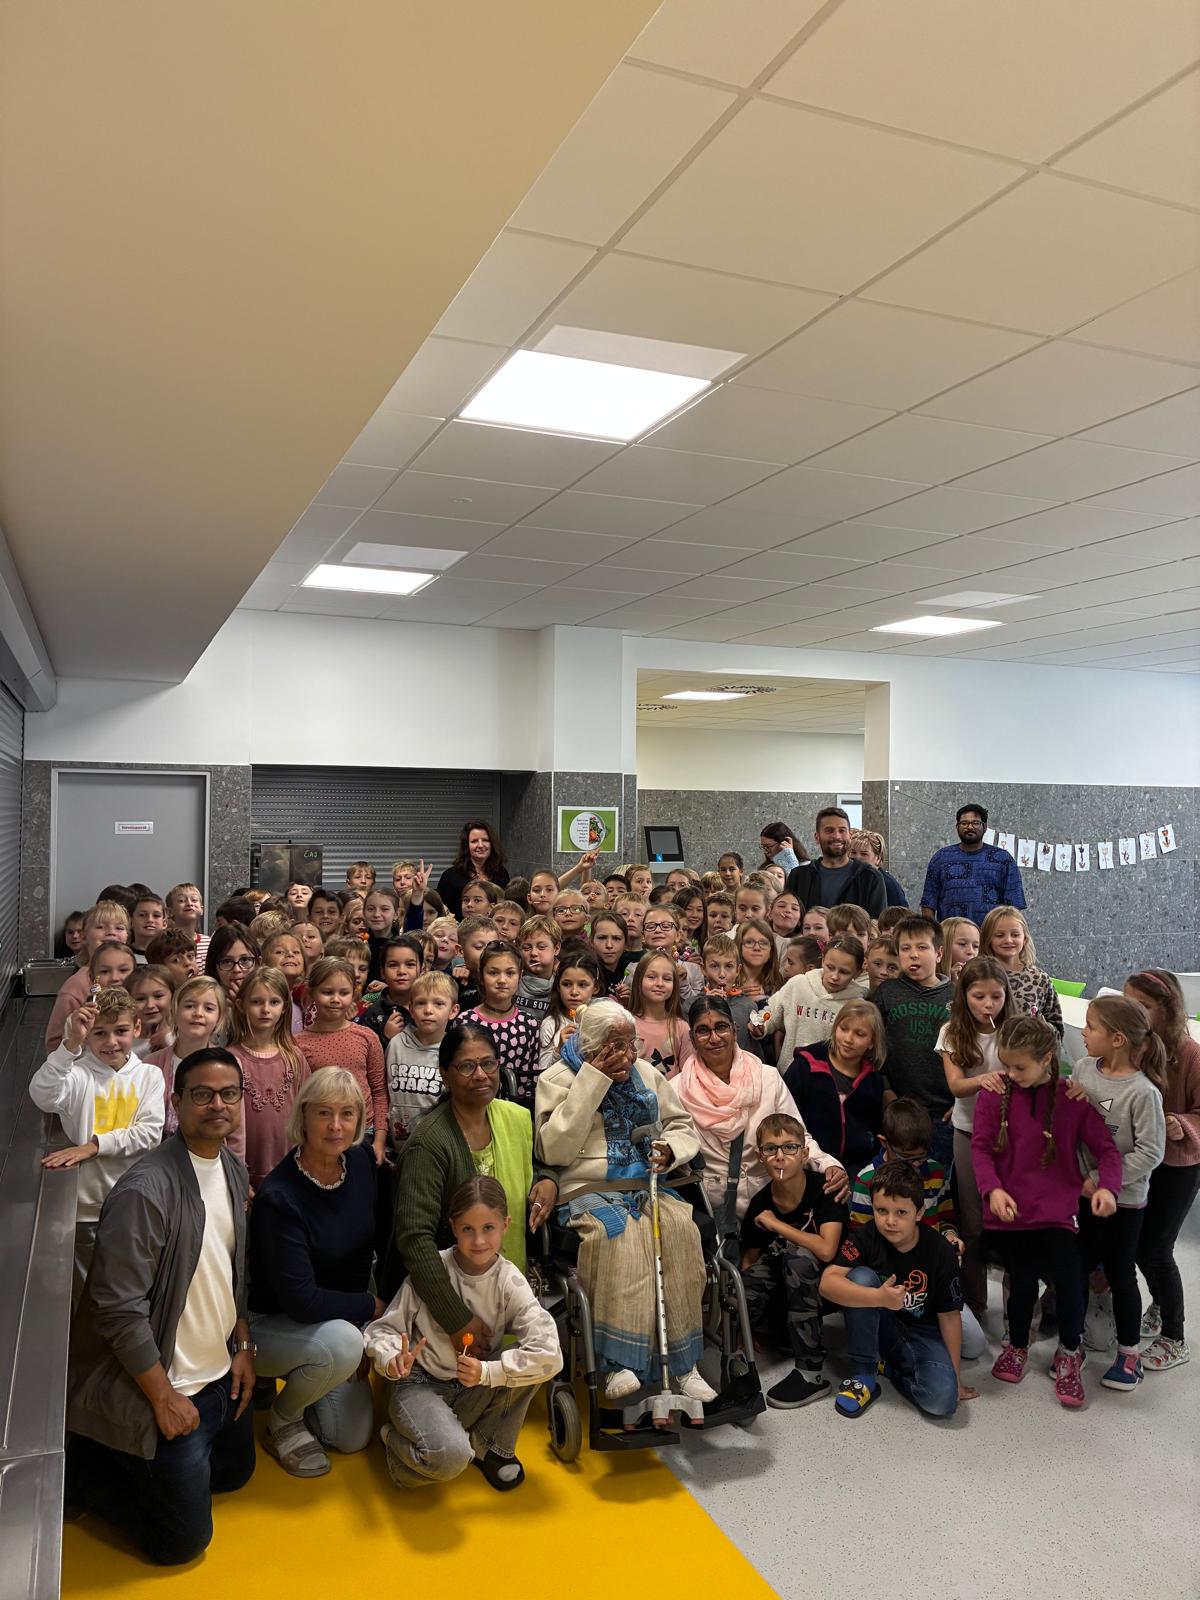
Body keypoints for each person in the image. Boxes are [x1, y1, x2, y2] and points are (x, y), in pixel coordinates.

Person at [64, 1048, 255, 1566]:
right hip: (163, 1384)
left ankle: (146, 1462)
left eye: (229, 1094)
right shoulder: (146, 1190)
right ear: (177, 1102)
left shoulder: (232, 1168)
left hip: (219, 1376)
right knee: (181, 1544)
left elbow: (234, 1270)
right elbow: (117, 1308)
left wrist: (244, 1346)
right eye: (202, 1094)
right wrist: (163, 1397)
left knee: (234, 1475)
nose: (218, 1105)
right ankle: (89, 1468)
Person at [534, 999, 714, 1404]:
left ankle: (684, 1365)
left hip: (646, 1182)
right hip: (586, 1188)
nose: (627, 1055)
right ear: (590, 1046)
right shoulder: (557, 1078)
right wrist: (593, 1080)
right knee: (620, 1236)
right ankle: (619, 1363)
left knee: (680, 1230)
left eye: (630, 1044)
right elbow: (554, 1150)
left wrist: (670, 1149)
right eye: (614, 1046)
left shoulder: (647, 1073)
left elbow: (681, 1124)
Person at [368, 1175, 561, 1491]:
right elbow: (381, 1330)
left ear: (506, 1225)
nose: (479, 1240)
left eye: (489, 1228)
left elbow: (550, 1354)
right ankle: (393, 1440)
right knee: (450, 1460)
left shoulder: (509, 1280)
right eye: (467, 1229)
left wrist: (488, 1373)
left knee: (531, 1363)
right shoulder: (434, 1270)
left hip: (472, 1386)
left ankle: (487, 1446)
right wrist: (392, 1359)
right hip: (421, 1384)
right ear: (453, 1227)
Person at [973, 1015, 1122, 1409]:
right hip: (1013, 1214)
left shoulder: (1071, 1099)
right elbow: (981, 1148)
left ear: (1046, 1059)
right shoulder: (994, 1095)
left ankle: (1070, 1352)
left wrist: (1107, 1187)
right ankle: (1017, 1345)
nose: (1010, 1074)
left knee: (1071, 1284)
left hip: (1058, 1214)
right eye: (1006, 1065)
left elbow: (1107, 1150)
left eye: (1020, 1067)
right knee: (1020, 1284)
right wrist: (993, 1190)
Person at [249, 1069, 380, 1476]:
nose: (336, 1125)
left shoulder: (359, 1162)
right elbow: (301, 1301)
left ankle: (313, 1370)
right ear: (303, 1116)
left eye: (347, 1113)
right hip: (268, 1323)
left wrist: (358, 1323)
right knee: (342, 1345)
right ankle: (283, 1419)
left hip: (332, 1321)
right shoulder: (279, 1197)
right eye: (324, 1113)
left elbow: (363, 1252)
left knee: (350, 1437)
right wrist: (366, 1310)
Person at [396, 1021, 557, 1347]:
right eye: (467, 1066)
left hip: (503, 1287)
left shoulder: (515, 1118)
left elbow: (536, 1163)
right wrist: (456, 1320)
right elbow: (415, 1239)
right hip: (447, 1299)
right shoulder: (429, 1143)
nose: (481, 1075)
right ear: (445, 1074)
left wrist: (548, 1180)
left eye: (488, 1063)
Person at [31, 987, 165, 1304]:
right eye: (99, 1033)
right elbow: (42, 1094)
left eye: (120, 1031)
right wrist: (70, 1045)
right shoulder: (78, 1074)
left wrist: (94, 1146)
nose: (110, 1042)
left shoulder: (149, 1076)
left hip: (135, 1203)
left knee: (131, 1291)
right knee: (88, 1296)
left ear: (136, 1029)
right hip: (86, 1209)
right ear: (88, 1035)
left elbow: (150, 1133)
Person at [822, 1161, 976, 1419]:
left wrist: (955, 1378)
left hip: (923, 1332)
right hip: (879, 1323)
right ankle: (864, 1374)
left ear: (919, 1212)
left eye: (901, 1212)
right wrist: (878, 1297)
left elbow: (949, 1316)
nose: (890, 1221)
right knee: (859, 1277)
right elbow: (827, 1283)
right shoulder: (865, 1236)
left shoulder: (941, 1251)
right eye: (881, 1210)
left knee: (942, 1402)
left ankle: (889, 1368)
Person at [674, 995, 847, 1225]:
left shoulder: (767, 1078)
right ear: (692, 1039)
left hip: (770, 1202)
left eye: (721, 1027)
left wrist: (827, 1164)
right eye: (703, 1031)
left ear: (735, 1030)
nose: (714, 1038)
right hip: (711, 1210)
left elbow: (797, 1136)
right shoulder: (677, 1090)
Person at [1073, 997, 1167, 1390]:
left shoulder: (1143, 1092)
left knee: (1120, 1273)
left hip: (1124, 1202)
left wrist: (1102, 1180)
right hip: (1082, 1194)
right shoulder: (1082, 1069)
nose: (1083, 1032)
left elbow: (1151, 1152)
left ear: (1117, 1039)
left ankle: (1129, 1356)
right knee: (1077, 1267)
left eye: (1091, 1026)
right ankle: (1071, 1345)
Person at [740, 1113, 846, 1408]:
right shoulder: (760, 1203)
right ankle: (783, 1335)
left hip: (832, 1283)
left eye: (789, 1147)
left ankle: (811, 1373)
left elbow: (826, 1250)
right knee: (743, 1285)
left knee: (799, 1257)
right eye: (770, 1149)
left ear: (804, 1153)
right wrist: (745, 1323)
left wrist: (777, 1225)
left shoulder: (824, 1189)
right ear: (760, 1156)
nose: (780, 1156)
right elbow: (748, 1262)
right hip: (787, 1287)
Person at [1125, 970, 1200, 1371]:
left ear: (1166, 1010)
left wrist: (1181, 1124)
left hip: (1179, 1165)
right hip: (1144, 1161)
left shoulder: (1190, 1054)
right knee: (1141, 1245)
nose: (1133, 1013)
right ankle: (1159, 1305)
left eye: (1143, 1007)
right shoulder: (1135, 1045)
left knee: (1155, 1249)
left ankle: (1175, 1336)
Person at [937, 956, 1013, 1315]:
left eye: (996, 996)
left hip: (1015, 1136)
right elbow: (955, 1085)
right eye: (979, 996)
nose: (988, 1005)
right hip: (968, 1132)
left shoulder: (1014, 1029)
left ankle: (1018, 1309)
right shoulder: (952, 1031)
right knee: (972, 1221)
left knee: (1016, 1222)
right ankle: (975, 1303)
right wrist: (983, 1080)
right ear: (963, 995)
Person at [872, 916, 956, 1166]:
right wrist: (885, 1089)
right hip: (899, 1106)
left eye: (922, 947)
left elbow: (971, 1050)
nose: (913, 955)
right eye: (905, 949)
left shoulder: (956, 995)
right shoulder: (888, 992)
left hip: (944, 1111)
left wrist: (962, 1102)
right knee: (897, 1174)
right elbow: (874, 1046)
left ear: (939, 953)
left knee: (939, 1178)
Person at [296, 955, 388, 1165]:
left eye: (343, 993)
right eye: (327, 992)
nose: (336, 999)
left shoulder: (366, 1037)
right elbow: (299, 1100)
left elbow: (379, 1091)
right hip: (321, 1134)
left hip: (365, 1132)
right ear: (311, 993)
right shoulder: (298, 1044)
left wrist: (379, 1141)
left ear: (353, 994)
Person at [227, 966, 311, 1190]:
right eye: (256, 1002)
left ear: (284, 1007)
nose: (265, 1010)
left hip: (291, 1173)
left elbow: (307, 1113)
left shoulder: (294, 1057)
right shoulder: (230, 1059)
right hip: (243, 1175)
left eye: (274, 1002)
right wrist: (238, 1177)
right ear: (241, 1005)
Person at [783, 999, 886, 1177]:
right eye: (843, 1029)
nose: (848, 1039)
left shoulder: (873, 1080)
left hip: (855, 1169)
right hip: (810, 1164)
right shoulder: (805, 1065)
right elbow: (784, 1115)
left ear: (872, 1042)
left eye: (859, 1034)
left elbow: (874, 1128)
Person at [752, 936, 867, 1064]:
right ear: (823, 960)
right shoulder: (798, 984)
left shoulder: (856, 1006)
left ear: (857, 972)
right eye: (830, 967)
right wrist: (760, 1025)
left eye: (844, 972)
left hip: (827, 1073)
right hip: (790, 1069)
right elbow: (772, 1012)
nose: (835, 976)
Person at [460, 939, 541, 1111]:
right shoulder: (466, 1021)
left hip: (516, 1111)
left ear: (520, 975)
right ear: (481, 976)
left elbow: (532, 1078)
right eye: (493, 973)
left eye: (510, 973)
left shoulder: (529, 1024)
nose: (502, 980)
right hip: (473, 1109)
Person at [386, 970, 460, 1150]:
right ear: (411, 1009)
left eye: (438, 1004)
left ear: (453, 1011)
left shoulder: (454, 1051)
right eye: (421, 1003)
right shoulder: (396, 1044)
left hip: (436, 1147)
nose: (428, 1010)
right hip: (395, 1146)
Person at [45, 899, 133, 1049]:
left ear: (127, 937)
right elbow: (53, 1042)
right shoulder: (76, 985)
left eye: (119, 927)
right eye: (100, 927)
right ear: (84, 936)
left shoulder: (135, 978)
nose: (111, 932)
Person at [920, 803, 1026, 925]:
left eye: (975, 823)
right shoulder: (941, 858)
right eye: (964, 823)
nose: (969, 827)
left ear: (985, 827)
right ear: (957, 827)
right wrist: (932, 933)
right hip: (950, 933)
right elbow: (928, 902)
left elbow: (1014, 906)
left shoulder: (1003, 859)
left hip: (991, 933)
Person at [979, 906, 1063, 1039]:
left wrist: (1042, 1030)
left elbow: (1057, 1027)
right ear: (988, 939)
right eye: (999, 935)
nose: (1008, 940)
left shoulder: (1040, 979)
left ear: (1025, 939)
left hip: (1030, 1049)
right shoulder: (979, 975)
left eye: (1015, 935)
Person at [787, 807, 886, 918]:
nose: (837, 836)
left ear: (850, 835)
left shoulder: (870, 877)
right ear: (817, 837)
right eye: (829, 830)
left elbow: (876, 924)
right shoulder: (798, 877)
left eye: (842, 830)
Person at [629, 951, 695, 1074]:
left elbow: (687, 1075)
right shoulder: (628, 1025)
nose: (659, 983)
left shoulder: (682, 1028)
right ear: (639, 980)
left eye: (667, 979)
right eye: (651, 977)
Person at [538, 951, 602, 1071]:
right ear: (558, 986)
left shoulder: (603, 1020)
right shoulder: (551, 1024)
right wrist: (559, 1049)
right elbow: (542, 1072)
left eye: (582, 985)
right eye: (567, 984)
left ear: (595, 987)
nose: (574, 992)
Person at [436, 820, 510, 917]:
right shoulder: (450, 876)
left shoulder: (501, 873)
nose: (480, 845)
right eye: (474, 841)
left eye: (485, 840)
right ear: (467, 846)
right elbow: (440, 912)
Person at [848, 830, 908, 908]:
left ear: (878, 859)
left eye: (864, 854)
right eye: (853, 852)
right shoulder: (851, 879)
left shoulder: (888, 885)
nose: (857, 857)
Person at [130, 893, 168, 961]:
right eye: (142, 915)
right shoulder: (122, 954)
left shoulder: (171, 955)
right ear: (131, 922)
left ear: (164, 923)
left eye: (156, 915)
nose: (150, 920)